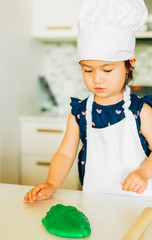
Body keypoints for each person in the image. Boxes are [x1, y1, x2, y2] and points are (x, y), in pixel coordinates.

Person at [24, 0, 152, 203]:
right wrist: (51, 184)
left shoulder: (141, 110)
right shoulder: (80, 112)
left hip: (140, 203)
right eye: (88, 70)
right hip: (94, 202)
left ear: (129, 65)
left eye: (107, 70)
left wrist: (144, 172)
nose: (97, 79)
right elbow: (66, 154)